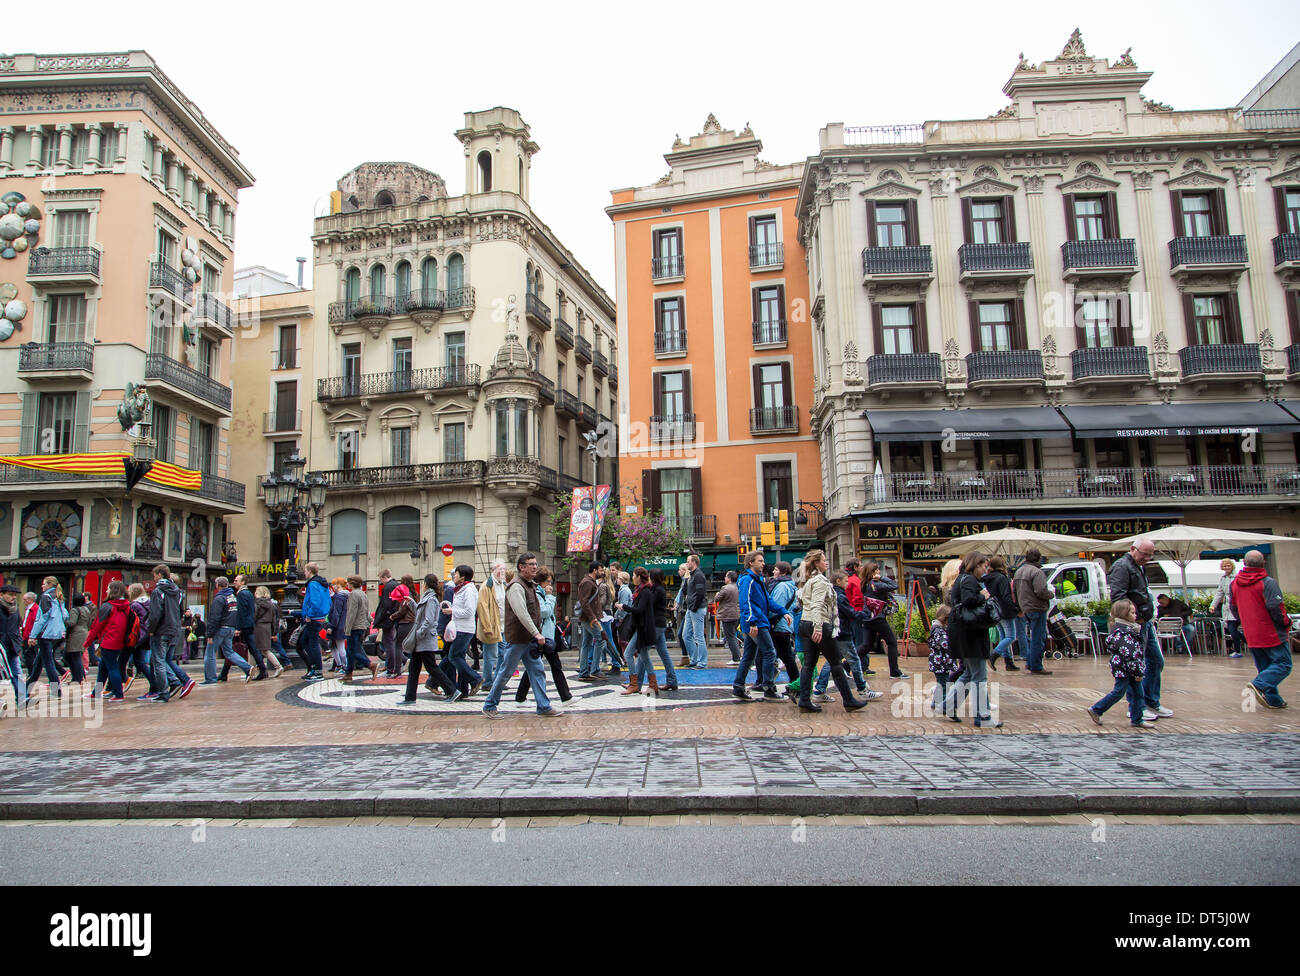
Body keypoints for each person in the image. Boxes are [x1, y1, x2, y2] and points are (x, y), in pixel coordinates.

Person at [482, 551, 562, 718]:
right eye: (531, 564)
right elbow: (521, 613)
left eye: (535, 563)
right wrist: (537, 633)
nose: (535, 567)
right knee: (506, 671)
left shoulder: (530, 585)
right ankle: (490, 704)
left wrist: (535, 634)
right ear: (521, 567)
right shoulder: (517, 586)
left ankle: (543, 706)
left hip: (528, 639)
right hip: (519, 639)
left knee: (537, 670)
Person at [794, 550, 868, 712]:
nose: (826, 563)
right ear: (816, 563)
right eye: (824, 560)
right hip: (819, 623)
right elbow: (818, 604)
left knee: (808, 664)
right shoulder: (819, 580)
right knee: (835, 662)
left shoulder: (808, 580)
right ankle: (848, 700)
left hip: (805, 623)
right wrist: (819, 628)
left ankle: (805, 700)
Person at [1107, 538, 1171, 722]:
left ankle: (1151, 701)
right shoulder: (1122, 566)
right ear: (1133, 549)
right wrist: (1135, 615)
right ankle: (1136, 706)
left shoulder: (1137, 566)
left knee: (1156, 661)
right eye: (1145, 554)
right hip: (1136, 623)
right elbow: (1118, 596)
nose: (1148, 558)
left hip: (1145, 621)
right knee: (1136, 665)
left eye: (1151, 554)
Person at [944, 551, 1002, 728]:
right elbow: (969, 600)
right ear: (975, 565)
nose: (985, 570)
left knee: (969, 674)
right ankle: (982, 717)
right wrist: (983, 596)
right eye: (984, 566)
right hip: (971, 634)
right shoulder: (969, 580)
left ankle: (948, 705)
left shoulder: (961, 580)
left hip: (963, 633)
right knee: (979, 677)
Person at [1231, 549, 1293, 709]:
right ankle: (1258, 684)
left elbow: (1234, 608)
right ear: (1263, 562)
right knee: (1283, 664)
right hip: (1271, 632)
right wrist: (1286, 622)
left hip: (1251, 633)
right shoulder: (1268, 582)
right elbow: (1276, 607)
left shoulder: (1235, 584)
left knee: (1265, 667)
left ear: (1244, 563)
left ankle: (1273, 699)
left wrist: (1244, 622)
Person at [398, 572, 463, 705]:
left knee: (432, 667)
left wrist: (419, 633)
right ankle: (410, 697)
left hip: (425, 639)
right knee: (415, 669)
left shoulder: (431, 599)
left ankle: (452, 690)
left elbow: (429, 620)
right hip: (421, 640)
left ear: (426, 584)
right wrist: (411, 603)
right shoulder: (427, 598)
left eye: (423, 583)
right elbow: (421, 614)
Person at [1086, 599, 1149, 728]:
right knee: (1119, 692)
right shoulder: (1125, 632)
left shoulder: (1125, 630)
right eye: (1132, 613)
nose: (1135, 615)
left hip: (1125, 668)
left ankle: (1137, 719)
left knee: (1137, 693)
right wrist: (1138, 672)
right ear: (1124, 615)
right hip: (1125, 669)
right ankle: (1097, 709)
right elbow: (1131, 654)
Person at [516, 567, 572, 704]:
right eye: (548, 581)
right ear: (540, 582)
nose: (550, 585)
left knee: (542, 665)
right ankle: (565, 697)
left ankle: (521, 697)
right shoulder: (537, 594)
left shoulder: (539, 593)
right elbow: (545, 612)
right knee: (547, 666)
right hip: (541, 636)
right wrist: (549, 597)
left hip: (546, 636)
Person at [732, 550, 780, 702]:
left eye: (763, 560)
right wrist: (752, 621)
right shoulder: (749, 580)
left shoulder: (756, 579)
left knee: (748, 656)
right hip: (756, 622)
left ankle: (738, 686)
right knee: (769, 652)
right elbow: (744, 601)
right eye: (760, 561)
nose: (763, 563)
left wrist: (783, 611)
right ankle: (769, 687)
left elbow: (768, 601)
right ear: (751, 562)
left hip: (754, 621)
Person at [147, 564, 196, 697]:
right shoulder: (178, 592)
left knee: (158, 661)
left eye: (155, 575)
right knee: (163, 660)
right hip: (173, 629)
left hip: (161, 630)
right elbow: (181, 611)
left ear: (159, 575)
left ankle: (163, 692)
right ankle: (174, 682)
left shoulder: (158, 591)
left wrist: (151, 629)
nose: (154, 578)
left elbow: (155, 614)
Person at [628, 568, 678, 692]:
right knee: (663, 652)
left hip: (655, 624)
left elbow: (647, 606)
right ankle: (672, 681)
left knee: (643, 651)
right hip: (659, 623)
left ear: (653, 577)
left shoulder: (656, 590)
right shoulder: (658, 589)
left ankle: (637, 683)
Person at [83, 580, 133, 703]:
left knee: (111, 668)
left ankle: (118, 694)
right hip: (119, 641)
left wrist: (87, 643)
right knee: (103, 667)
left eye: (108, 588)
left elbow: (97, 626)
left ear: (113, 591)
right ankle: (96, 692)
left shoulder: (107, 606)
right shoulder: (126, 606)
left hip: (107, 641)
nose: (106, 590)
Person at [861, 561, 907, 680]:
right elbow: (894, 585)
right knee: (891, 642)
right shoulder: (876, 584)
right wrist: (881, 578)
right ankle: (895, 672)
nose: (879, 572)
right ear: (872, 573)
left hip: (868, 617)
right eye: (876, 570)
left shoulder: (865, 584)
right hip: (878, 617)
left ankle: (845, 666)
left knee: (867, 645)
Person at [441, 565, 482, 697]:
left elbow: (470, 611)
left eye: (456, 574)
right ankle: (463, 689)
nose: (454, 576)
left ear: (463, 577)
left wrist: (453, 611)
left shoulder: (468, 590)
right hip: (459, 627)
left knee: (454, 656)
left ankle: (475, 679)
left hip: (464, 629)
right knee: (459, 657)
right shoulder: (460, 589)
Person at [620, 567, 661, 696]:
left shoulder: (645, 592)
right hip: (643, 628)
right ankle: (652, 685)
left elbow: (639, 610)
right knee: (644, 657)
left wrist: (624, 607)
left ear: (639, 577)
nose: (632, 578)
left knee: (628, 654)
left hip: (644, 629)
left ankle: (634, 684)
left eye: (633, 575)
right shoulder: (641, 591)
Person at [1013, 548, 1054, 676]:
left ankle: (1030, 662)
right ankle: (1036, 665)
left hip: (1025, 607)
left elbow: (1014, 590)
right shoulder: (1037, 572)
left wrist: (1019, 606)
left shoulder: (1019, 571)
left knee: (1034, 635)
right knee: (1038, 637)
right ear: (1038, 558)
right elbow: (1040, 591)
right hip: (1037, 607)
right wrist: (1051, 594)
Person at [204, 576, 252, 684]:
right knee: (229, 652)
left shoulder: (219, 598)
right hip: (230, 628)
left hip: (220, 628)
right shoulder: (232, 597)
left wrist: (210, 634)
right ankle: (248, 668)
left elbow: (214, 617)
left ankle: (210, 679)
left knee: (210, 653)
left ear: (217, 585)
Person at [27, 576, 69, 695]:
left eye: (44, 584)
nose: (42, 586)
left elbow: (42, 618)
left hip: (45, 633)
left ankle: (56, 690)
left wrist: (32, 635)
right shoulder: (59, 596)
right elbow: (65, 615)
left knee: (48, 662)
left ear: (49, 584)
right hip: (57, 633)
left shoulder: (46, 597)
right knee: (39, 662)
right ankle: (27, 686)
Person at [767, 561, 801, 695]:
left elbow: (777, 605)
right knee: (784, 655)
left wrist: (769, 617)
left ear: (783, 572)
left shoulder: (782, 586)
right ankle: (794, 683)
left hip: (779, 625)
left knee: (785, 655)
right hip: (784, 624)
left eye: (776, 570)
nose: (773, 572)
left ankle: (795, 684)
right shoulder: (791, 585)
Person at [224, 574, 264, 682]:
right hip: (249, 623)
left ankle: (262, 670)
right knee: (251, 648)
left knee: (248, 648)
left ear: (243, 582)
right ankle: (224, 672)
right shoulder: (249, 593)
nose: (234, 582)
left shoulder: (241, 594)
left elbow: (241, 612)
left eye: (237, 580)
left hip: (245, 625)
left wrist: (238, 627)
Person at [984, 555, 1020, 671]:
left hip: (995, 610)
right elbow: (1006, 596)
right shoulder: (1002, 578)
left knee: (1004, 637)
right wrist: (1014, 609)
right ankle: (994, 655)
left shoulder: (987, 578)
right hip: (1005, 610)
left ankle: (1008, 661)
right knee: (1010, 636)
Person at [926, 604, 961, 718]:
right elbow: (944, 644)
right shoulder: (938, 630)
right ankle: (946, 706)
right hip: (940, 662)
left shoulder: (940, 628)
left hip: (942, 662)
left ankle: (936, 702)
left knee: (942, 683)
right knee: (944, 684)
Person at [343, 575, 380, 680]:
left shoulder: (353, 595)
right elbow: (367, 611)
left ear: (352, 583)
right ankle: (348, 673)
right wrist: (371, 622)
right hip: (362, 626)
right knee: (353, 650)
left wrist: (347, 629)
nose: (347, 584)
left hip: (354, 627)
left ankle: (370, 665)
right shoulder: (363, 594)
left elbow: (351, 613)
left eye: (348, 582)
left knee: (352, 651)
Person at [573, 561, 605, 681]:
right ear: (594, 570)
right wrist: (593, 618)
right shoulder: (587, 583)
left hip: (588, 618)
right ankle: (594, 670)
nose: (602, 572)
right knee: (600, 641)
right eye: (600, 570)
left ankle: (584, 672)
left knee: (586, 643)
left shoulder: (589, 582)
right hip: (589, 618)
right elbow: (584, 602)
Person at [477, 562, 506, 687]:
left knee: (504, 655)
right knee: (491, 656)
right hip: (493, 627)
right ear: (493, 570)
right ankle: (487, 682)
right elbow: (482, 608)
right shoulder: (486, 586)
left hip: (504, 626)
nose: (503, 572)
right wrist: (487, 627)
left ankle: (498, 680)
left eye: (504, 569)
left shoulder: (503, 585)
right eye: (500, 569)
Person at [1, 584, 28, 708]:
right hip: (1, 647)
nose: (13, 598)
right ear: (1, 595)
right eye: (10, 595)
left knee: (17, 672)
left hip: (12, 646)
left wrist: (18, 641)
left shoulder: (15, 608)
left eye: (14, 595)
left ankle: (23, 698)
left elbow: (18, 625)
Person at [681, 553, 709, 670]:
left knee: (698, 636)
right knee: (686, 635)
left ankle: (701, 662)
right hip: (692, 608)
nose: (687, 563)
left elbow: (700, 593)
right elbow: (687, 591)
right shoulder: (692, 575)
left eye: (688, 561)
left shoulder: (698, 575)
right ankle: (694, 659)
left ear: (694, 562)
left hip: (696, 608)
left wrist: (694, 606)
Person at [1211, 559, 1243, 658]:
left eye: (1228, 565)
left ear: (1232, 566)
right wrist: (1213, 605)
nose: (1227, 567)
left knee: (1232, 628)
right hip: (1227, 606)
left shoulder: (1237, 577)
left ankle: (1238, 650)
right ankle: (1247, 642)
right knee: (1230, 629)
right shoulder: (1223, 578)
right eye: (1225, 566)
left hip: (1236, 606)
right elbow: (1219, 592)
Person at [386, 577, 417, 677]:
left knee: (398, 646)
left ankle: (397, 671)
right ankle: (408, 664)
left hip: (405, 623)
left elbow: (402, 611)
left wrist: (392, 616)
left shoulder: (406, 596)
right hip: (411, 623)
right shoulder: (413, 594)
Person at [64, 592, 96, 687]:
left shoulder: (74, 610)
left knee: (73, 656)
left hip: (75, 634)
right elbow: (90, 623)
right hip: (84, 633)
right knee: (75, 655)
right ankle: (78, 677)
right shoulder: (86, 609)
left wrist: (64, 622)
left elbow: (72, 622)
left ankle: (77, 678)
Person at [253, 586, 284, 679]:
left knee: (262, 650)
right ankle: (260, 669)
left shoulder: (257, 603)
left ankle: (277, 666)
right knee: (264, 649)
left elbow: (254, 616)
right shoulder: (272, 604)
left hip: (258, 627)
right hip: (267, 627)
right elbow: (275, 620)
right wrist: (274, 632)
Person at [716, 571, 741, 664]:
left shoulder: (725, 588)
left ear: (729, 578)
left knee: (730, 637)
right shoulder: (737, 587)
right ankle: (737, 656)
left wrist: (717, 595)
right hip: (736, 614)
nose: (724, 578)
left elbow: (717, 599)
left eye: (726, 576)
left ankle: (736, 658)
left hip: (727, 615)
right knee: (733, 635)